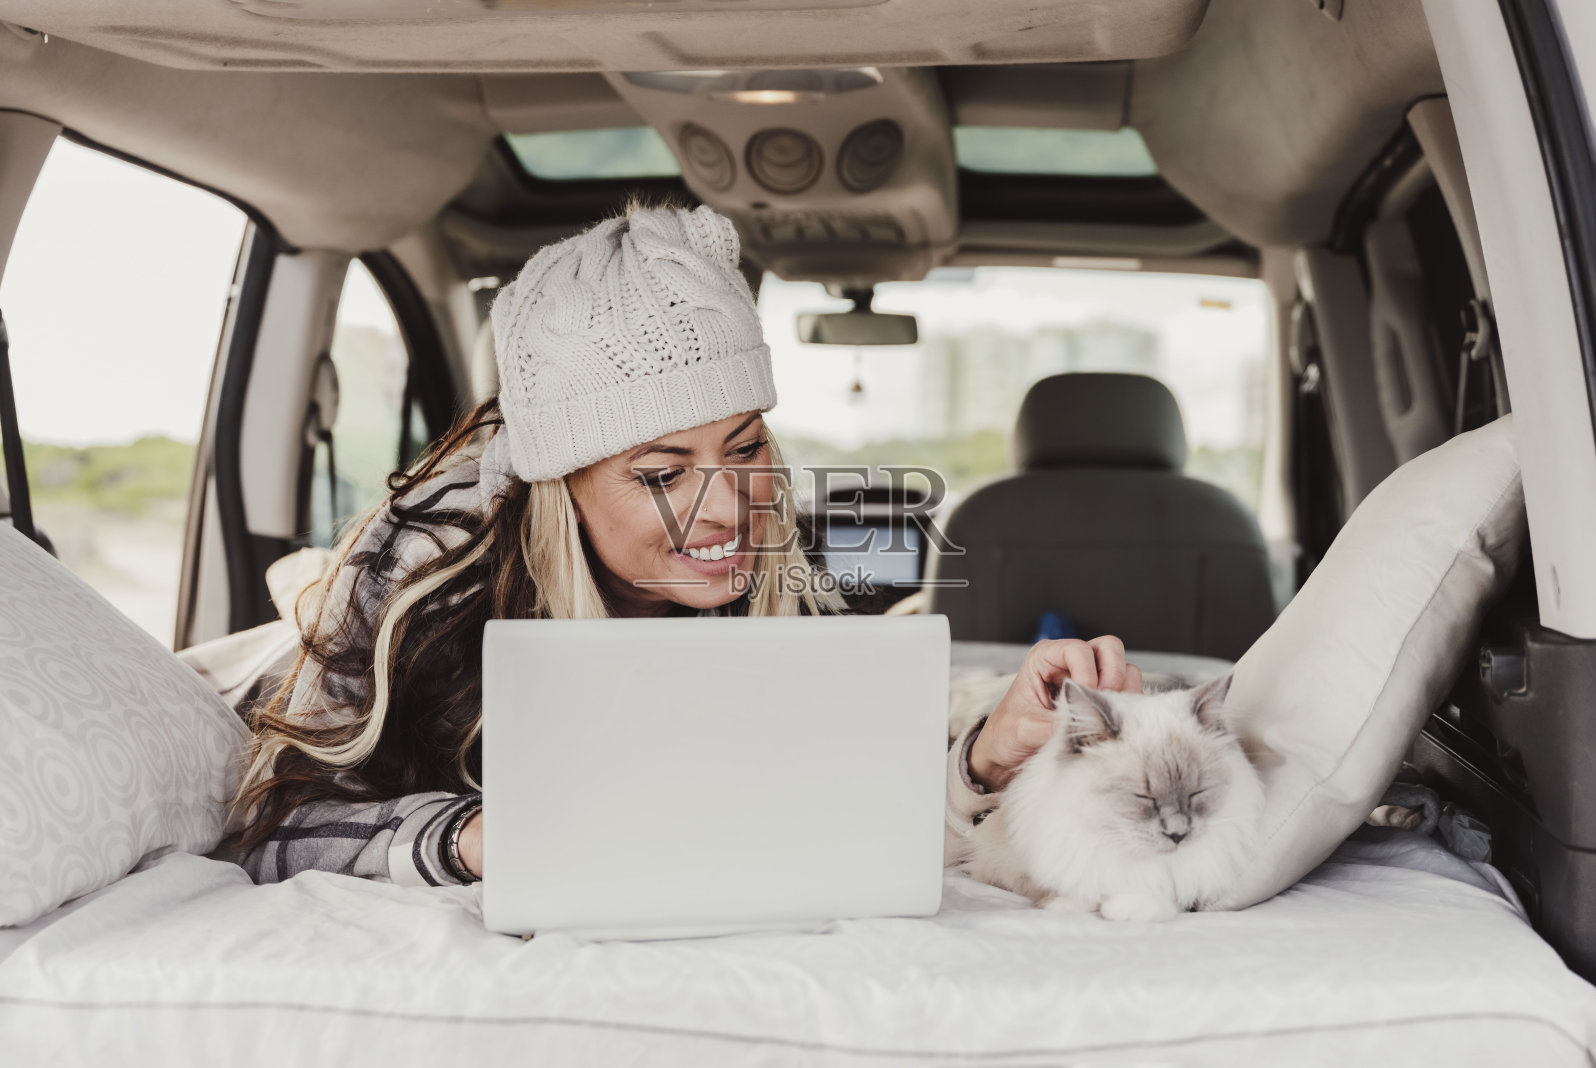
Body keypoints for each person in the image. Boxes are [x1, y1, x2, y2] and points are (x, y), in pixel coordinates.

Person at [232, 203, 1142, 887]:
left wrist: (989, 753)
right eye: (662, 474)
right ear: (561, 483)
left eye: (744, 447)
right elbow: (277, 823)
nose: (727, 509)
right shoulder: (428, 570)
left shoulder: (775, 564)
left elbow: (841, 798)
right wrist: (477, 836)